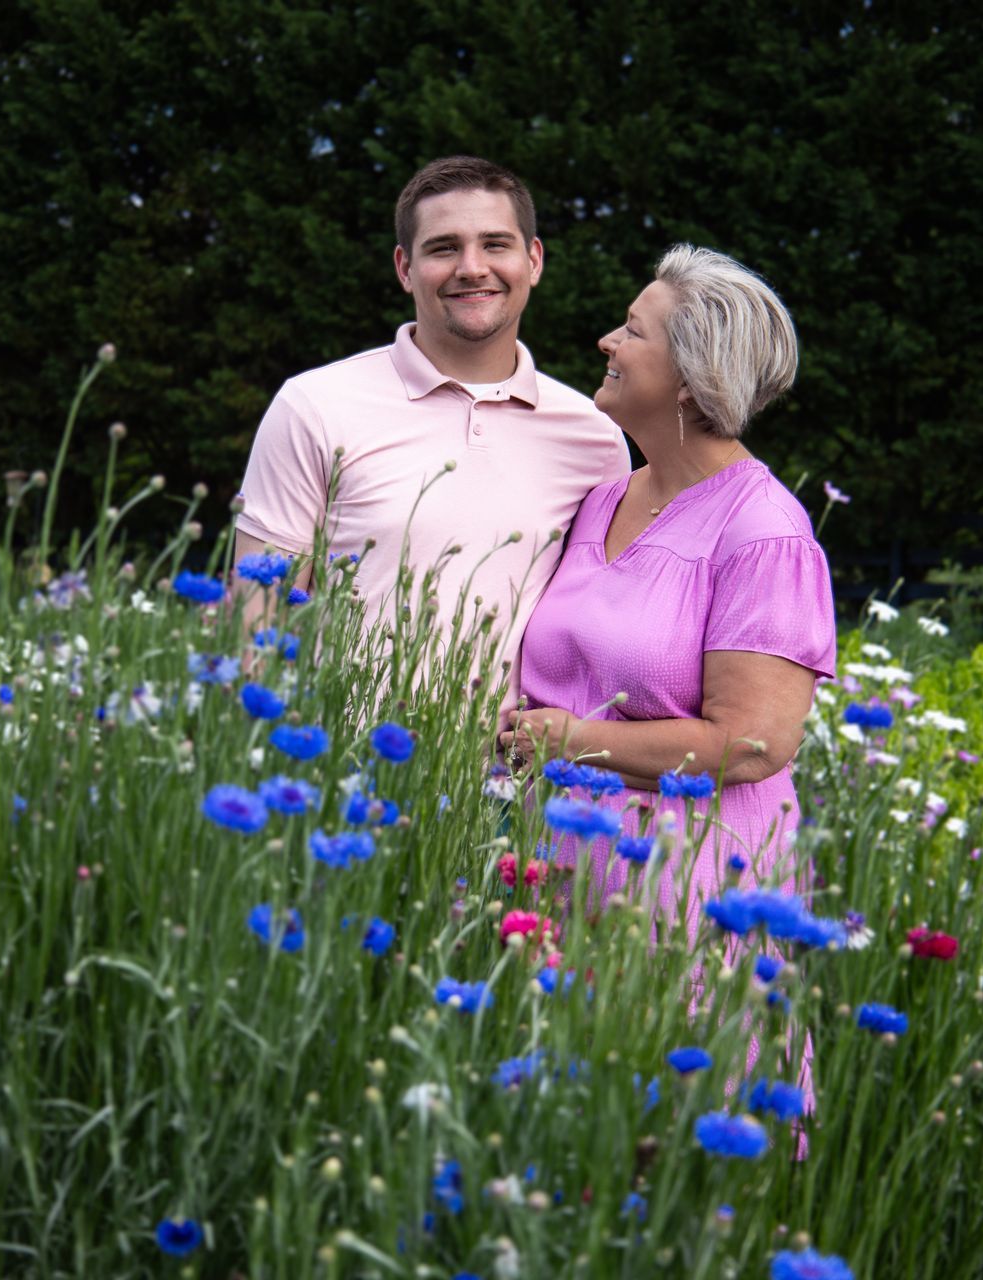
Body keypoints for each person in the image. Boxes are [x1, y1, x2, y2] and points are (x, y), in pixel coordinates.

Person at [499, 244, 837, 1107]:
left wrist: (571, 741)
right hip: (563, 865)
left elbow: (753, 742)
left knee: (682, 1122)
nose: (609, 340)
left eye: (633, 331)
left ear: (689, 377)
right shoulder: (608, 497)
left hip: (688, 887)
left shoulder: (765, 531)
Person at [232, 156, 629, 668]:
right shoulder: (315, 406)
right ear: (405, 268)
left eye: (495, 244)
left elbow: (602, 626)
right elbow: (256, 628)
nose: (471, 267)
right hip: (337, 747)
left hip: (514, 751)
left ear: (533, 260)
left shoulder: (593, 436)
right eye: (444, 248)